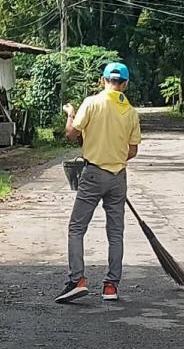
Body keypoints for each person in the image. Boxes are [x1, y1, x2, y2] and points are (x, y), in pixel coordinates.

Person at [55, 62, 142, 304]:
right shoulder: (131, 112)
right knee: (115, 233)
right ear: (125, 84)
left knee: (76, 228)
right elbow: (132, 150)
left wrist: (70, 114)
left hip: (93, 173)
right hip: (118, 176)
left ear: (102, 80)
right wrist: (114, 159)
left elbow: (72, 134)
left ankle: (77, 280)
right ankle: (111, 286)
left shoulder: (92, 103)